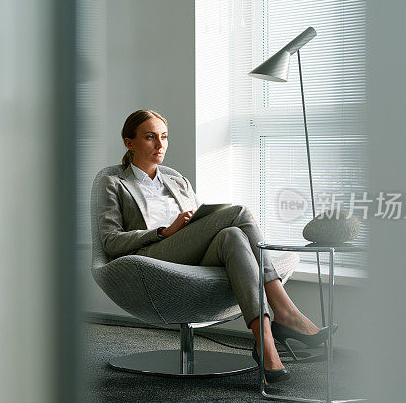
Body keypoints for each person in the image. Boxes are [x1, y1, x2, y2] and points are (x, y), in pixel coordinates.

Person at [97, 109, 332, 383]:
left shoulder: (177, 180)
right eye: (150, 138)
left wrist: (192, 224)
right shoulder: (113, 183)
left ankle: (264, 341)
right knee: (239, 212)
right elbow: (110, 241)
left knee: (232, 235)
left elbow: (200, 224)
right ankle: (284, 311)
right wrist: (163, 231)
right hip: (152, 255)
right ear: (129, 142)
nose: (160, 145)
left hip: (190, 254)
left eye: (164, 137)